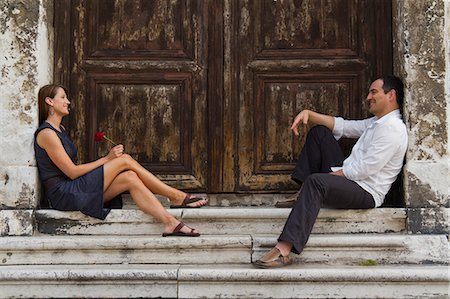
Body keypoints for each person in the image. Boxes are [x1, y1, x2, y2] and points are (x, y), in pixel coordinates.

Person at [254, 75, 407, 268]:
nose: (368, 97)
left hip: (366, 191)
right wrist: (309, 113)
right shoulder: (377, 123)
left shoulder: (393, 129)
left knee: (317, 182)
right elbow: (345, 126)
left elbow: (365, 169)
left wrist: (328, 177)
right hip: (351, 178)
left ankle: (284, 250)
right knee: (320, 133)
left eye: (373, 92)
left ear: (391, 95)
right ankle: (304, 194)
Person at [34, 84, 207, 237]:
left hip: (74, 189)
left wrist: (106, 161)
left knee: (130, 177)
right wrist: (107, 159)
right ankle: (176, 196)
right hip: (63, 194)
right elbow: (71, 172)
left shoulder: (60, 129)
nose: (68, 101)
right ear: (49, 101)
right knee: (124, 160)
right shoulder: (47, 134)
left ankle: (170, 222)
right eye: (63, 97)